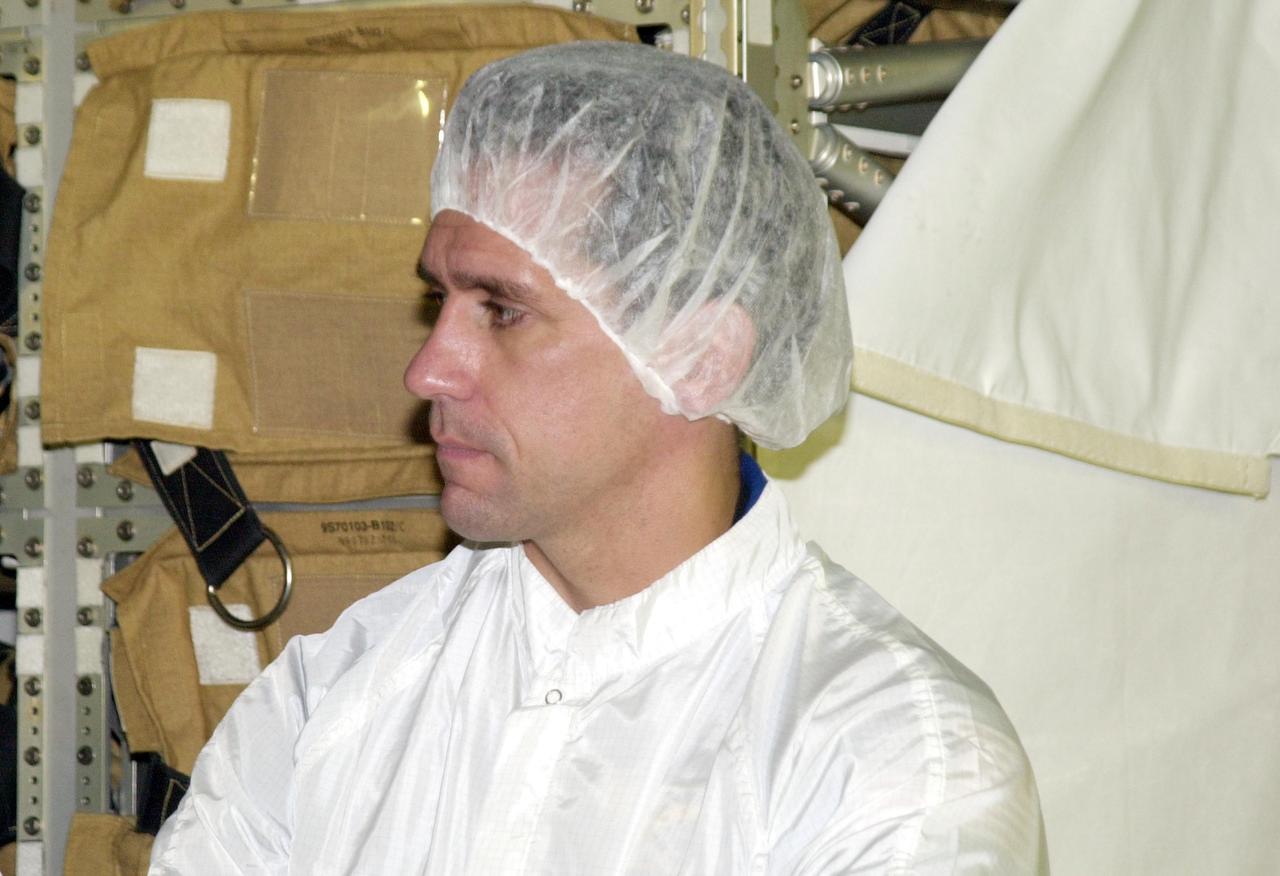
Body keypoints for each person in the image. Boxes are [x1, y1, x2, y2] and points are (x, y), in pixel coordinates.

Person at [150, 42, 1046, 873]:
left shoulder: (895, 763)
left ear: (700, 356)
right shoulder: (333, 700)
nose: (427, 369)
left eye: (501, 310)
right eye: (440, 300)